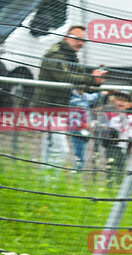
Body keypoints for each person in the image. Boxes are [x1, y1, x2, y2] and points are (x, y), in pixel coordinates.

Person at [35, 25, 107, 171]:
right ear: (67, 37)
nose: (81, 43)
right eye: (78, 39)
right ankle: (49, 185)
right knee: (60, 151)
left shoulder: (71, 57)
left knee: (49, 152)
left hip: (58, 110)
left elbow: (80, 84)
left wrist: (96, 80)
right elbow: (66, 77)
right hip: (47, 110)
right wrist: (91, 79)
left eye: (83, 41)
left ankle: (45, 185)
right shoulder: (55, 55)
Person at [102, 91, 132, 186]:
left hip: (125, 146)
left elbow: (131, 132)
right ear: (114, 101)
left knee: (121, 167)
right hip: (112, 145)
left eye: (125, 101)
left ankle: (119, 187)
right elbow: (103, 127)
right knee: (111, 166)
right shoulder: (109, 114)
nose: (121, 103)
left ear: (129, 104)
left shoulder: (130, 117)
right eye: (119, 100)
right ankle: (109, 186)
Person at [68, 86, 102, 172]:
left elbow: (97, 96)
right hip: (76, 130)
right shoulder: (71, 98)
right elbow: (72, 118)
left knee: (83, 155)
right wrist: (83, 125)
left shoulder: (86, 96)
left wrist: (107, 92)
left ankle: (78, 174)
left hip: (86, 131)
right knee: (79, 156)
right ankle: (76, 175)